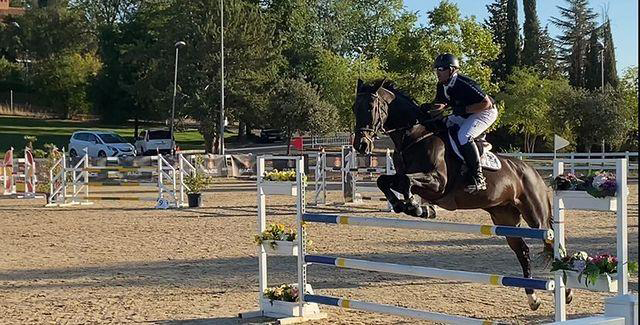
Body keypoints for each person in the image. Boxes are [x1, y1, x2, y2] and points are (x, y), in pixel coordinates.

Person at [431, 53, 497, 193]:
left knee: (464, 136)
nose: (438, 72)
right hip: (465, 113)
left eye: (441, 69)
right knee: (442, 126)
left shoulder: (464, 83)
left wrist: (463, 109)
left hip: (485, 111)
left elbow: (486, 103)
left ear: (452, 70)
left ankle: (478, 178)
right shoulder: (442, 85)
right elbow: (441, 103)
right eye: (437, 69)